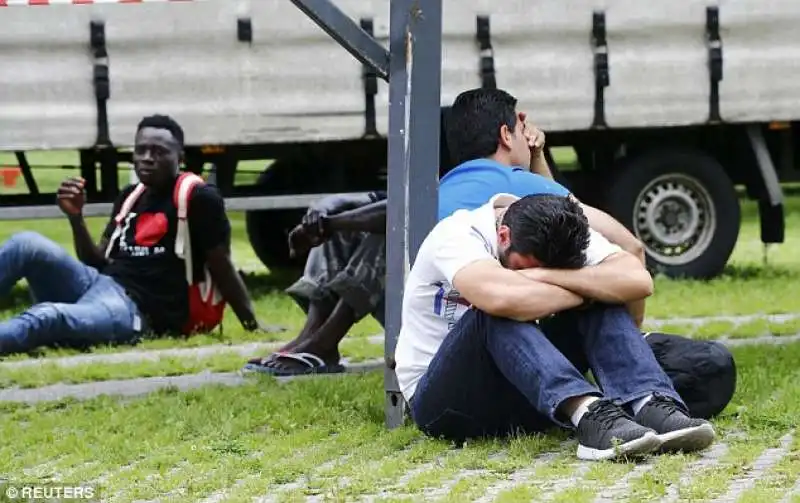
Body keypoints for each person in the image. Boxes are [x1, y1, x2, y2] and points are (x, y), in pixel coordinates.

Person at [394, 192, 716, 461]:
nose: (539, 275)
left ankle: (650, 403)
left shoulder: (561, 232)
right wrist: (580, 290)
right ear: (503, 237)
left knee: (602, 296)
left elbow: (637, 280)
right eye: (532, 268)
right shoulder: (457, 234)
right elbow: (500, 297)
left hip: (525, 392)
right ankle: (590, 415)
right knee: (495, 311)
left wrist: (544, 277)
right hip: (446, 404)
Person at [0, 114, 268, 356]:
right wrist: (75, 217)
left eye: (159, 151)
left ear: (180, 158)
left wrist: (252, 325)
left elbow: (221, 265)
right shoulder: (131, 196)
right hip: (98, 285)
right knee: (25, 244)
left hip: (135, 312)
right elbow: (96, 261)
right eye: (141, 150)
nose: (147, 158)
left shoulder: (198, 197)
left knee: (47, 317)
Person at [244, 191, 389, 375]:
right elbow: (358, 200)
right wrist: (319, 214)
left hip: (432, 309)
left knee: (392, 230)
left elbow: (398, 210)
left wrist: (329, 224)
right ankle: (312, 335)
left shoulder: (433, 184)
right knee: (342, 225)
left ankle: (323, 343)